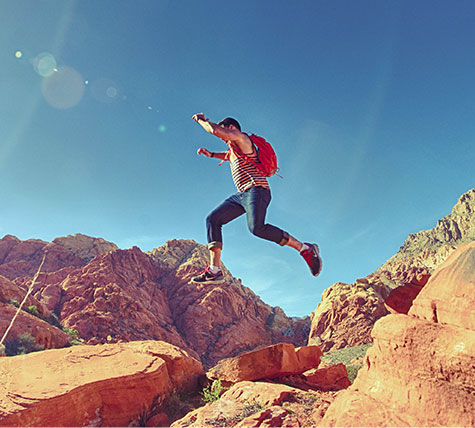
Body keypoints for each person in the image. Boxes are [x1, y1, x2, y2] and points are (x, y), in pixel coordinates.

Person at [190, 113, 322, 284]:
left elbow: (215, 130)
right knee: (213, 219)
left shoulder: (242, 138)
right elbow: (227, 155)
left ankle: (305, 248)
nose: (223, 138)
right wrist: (211, 154)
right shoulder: (234, 150)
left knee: (257, 228)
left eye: (225, 131)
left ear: (231, 128)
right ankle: (215, 270)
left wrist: (201, 120)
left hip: (257, 190)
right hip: (241, 195)